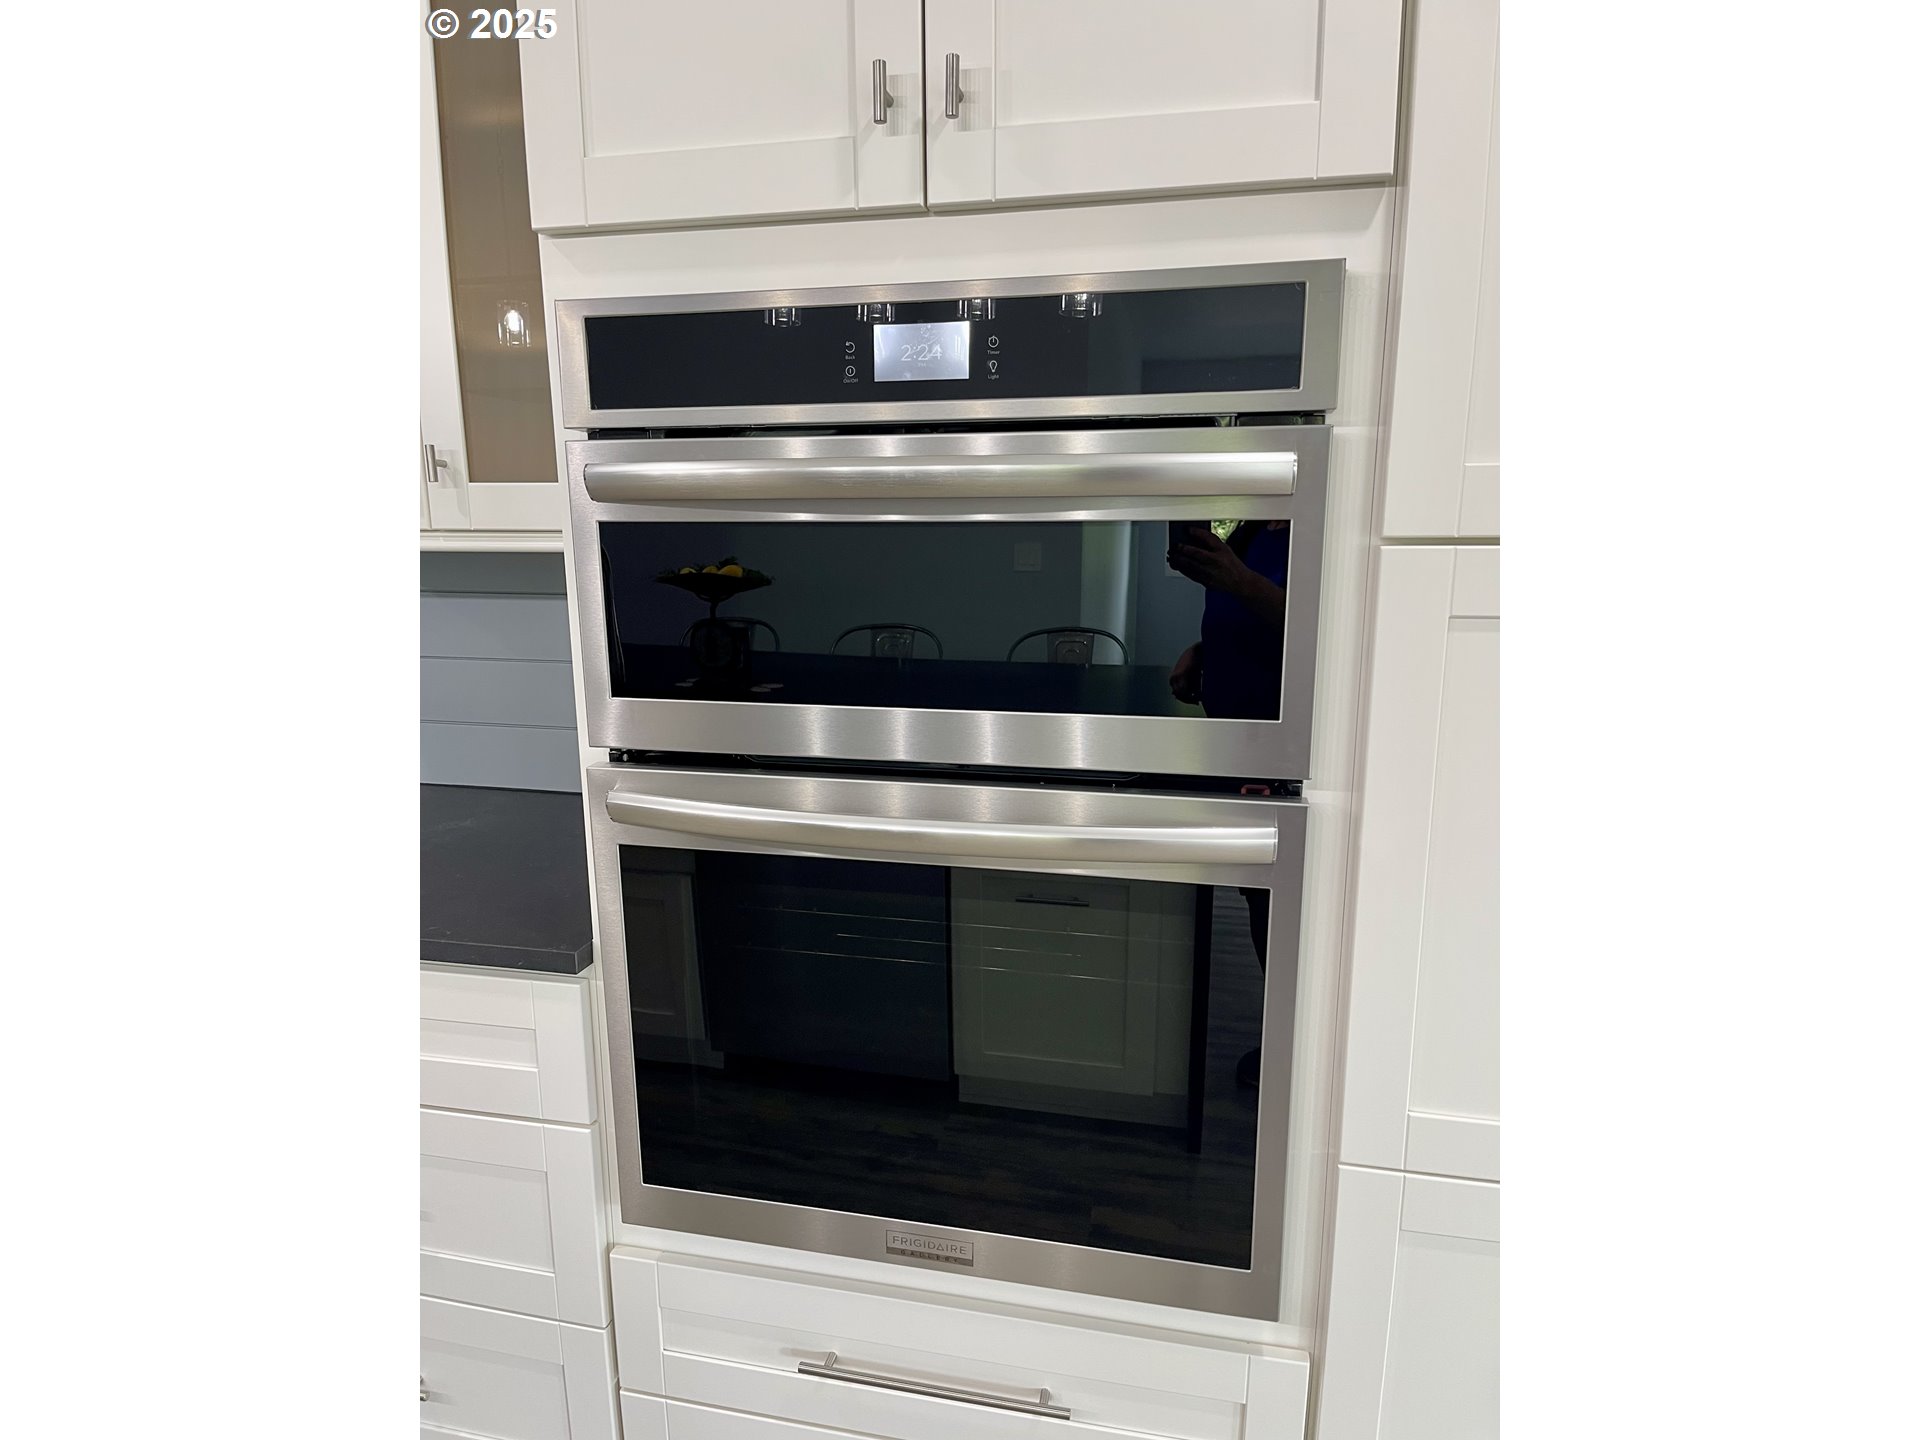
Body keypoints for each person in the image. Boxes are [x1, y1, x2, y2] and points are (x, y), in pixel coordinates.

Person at [1167, 521, 1289, 1088]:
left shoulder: (1323, 525)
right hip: (1239, 746)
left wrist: (1240, 582)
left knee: (1289, 904)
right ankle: (1285, 1036)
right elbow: (1253, 621)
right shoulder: (1248, 532)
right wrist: (1205, 650)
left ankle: (1296, 1047)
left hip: (1289, 749)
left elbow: (1330, 629)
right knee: (1260, 897)